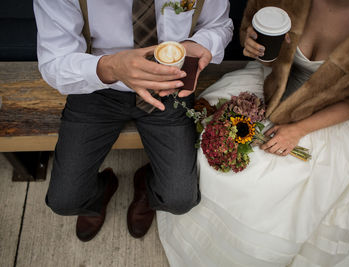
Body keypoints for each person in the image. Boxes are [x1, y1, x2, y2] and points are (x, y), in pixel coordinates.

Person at [157, 0, 349, 266]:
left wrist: (298, 130)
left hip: (330, 115)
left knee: (280, 184)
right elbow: (264, 46)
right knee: (210, 147)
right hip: (269, 86)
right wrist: (255, 46)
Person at [33, 0, 233, 242]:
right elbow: (54, 63)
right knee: (65, 201)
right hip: (95, 84)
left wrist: (199, 44)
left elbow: (219, 25)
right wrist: (110, 67)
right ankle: (100, 190)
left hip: (168, 85)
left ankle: (146, 186)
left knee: (180, 200)